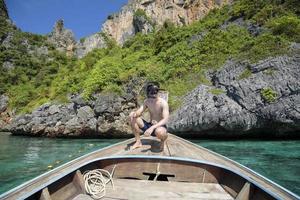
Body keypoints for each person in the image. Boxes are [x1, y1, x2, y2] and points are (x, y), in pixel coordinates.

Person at [129, 82, 169, 151]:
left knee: (160, 132)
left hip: (159, 127)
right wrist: (135, 114)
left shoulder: (163, 103)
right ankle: (138, 142)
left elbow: (165, 119)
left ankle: (163, 140)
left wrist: (153, 127)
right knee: (132, 116)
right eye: (150, 95)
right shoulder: (147, 101)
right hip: (149, 125)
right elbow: (140, 111)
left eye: (153, 94)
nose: (151, 97)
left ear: (157, 92)